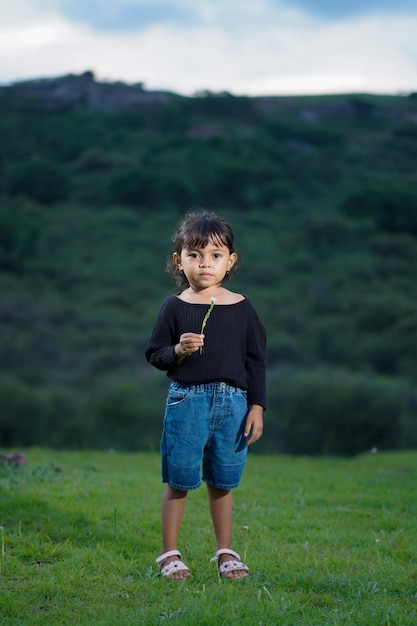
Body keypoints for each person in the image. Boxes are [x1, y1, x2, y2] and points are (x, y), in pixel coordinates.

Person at [145, 209, 266, 580]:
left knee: (223, 481)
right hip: (187, 401)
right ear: (178, 261)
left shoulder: (242, 308)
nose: (204, 264)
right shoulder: (174, 306)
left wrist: (257, 406)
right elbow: (154, 354)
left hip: (234, 404)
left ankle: (225, 552)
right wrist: (179, 350)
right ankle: (169, 553)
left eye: (215, 255)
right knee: (179, 479)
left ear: (230, 261)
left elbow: (256, 361)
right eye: (194, 255)